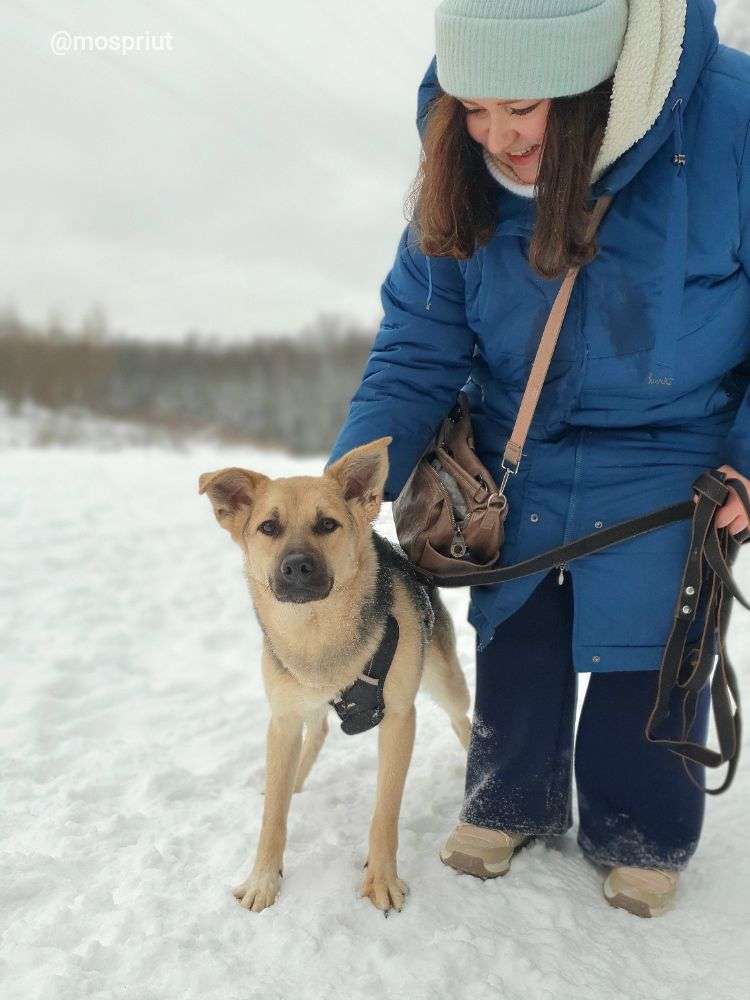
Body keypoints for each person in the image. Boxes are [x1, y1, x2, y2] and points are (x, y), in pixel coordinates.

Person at [325, 0, 750, 917]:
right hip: (518, 441)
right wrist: (347, 489)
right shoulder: (459, 151)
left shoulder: (733, 121)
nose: (498, 137)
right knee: (514, 620)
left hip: (679, 446)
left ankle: (639, 828)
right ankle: (508, 798)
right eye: (474, 109)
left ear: (592, 77)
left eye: (522, 108)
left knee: (655, 638)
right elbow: (420, 338)